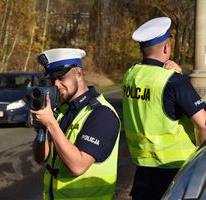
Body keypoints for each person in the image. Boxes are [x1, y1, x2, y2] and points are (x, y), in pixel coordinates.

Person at [122, 17, 206, 200]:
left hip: (143, 174)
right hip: (177, 175)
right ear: (167, 47)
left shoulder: (130, 76)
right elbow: (204, 124)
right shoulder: (173, 81)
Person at [31, 48, 121, 200]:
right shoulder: (62, 110)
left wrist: (51, 124)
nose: (57, 84)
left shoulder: (101, 113)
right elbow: (41, 158)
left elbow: (78, 166)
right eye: (52, 79)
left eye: (61, 77)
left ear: (78, 73)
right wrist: (42, 128)